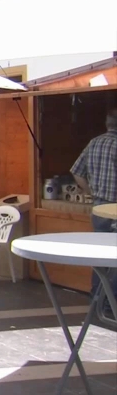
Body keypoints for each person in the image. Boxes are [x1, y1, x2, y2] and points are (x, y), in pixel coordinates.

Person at [71, 108, 117, 317]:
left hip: (99, 207)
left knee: (100, 256)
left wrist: (91, 193)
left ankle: (97, 300)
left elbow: (77, 173)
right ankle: (111, 303)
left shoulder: (94, 143)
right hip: (115, 208)